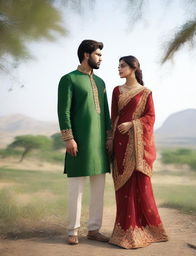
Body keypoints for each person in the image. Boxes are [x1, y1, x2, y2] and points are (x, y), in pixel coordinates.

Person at [108, 55, 168, 249]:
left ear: (134, 68)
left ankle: (146, 230)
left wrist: (133, 124)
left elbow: (150, 117)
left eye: (122, 66)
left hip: (138, 146)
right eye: (118, 66)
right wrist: (110, 139)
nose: (119, 69)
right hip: (119, 143)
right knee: (122, 189)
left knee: (140, 186)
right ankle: (124, 231)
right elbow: (113, 117)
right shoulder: (117, 90)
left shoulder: (145, 92)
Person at [57, 39, 112, 245]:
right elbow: (63, 111)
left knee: (98, 190)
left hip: (99, 146)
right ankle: (73, 230)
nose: (101, 58)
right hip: (78, 143)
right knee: (76, 190)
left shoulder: (101, 82)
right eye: (98, 55)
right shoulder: (68, 79)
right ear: (86, 55)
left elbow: (105, 113)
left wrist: (109, 138)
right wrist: (68, 138)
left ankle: (94, 229)